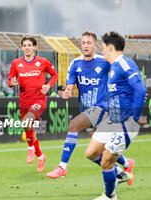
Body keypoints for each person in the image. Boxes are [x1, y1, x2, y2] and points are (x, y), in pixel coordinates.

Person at [46, 31, 134, 180]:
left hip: (101, 108)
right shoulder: (75, 64)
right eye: (83, 43)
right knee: (99, 150)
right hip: (86, 109)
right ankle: (124, 167)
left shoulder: (104, 62)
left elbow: (122, 71)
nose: (85, 46)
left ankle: (62, 167)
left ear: (95, 45)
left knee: (73, 125)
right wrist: (67, 93)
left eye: (88, 43)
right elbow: (69, 88)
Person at [85, 31, 146, 200]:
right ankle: (122, 174)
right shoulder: (114, 67)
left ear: (110, 48)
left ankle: (109, 196)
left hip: (125, 124)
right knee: (90, 153)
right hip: (112, 120)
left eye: (103, 48)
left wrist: (134, 116)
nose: (102, 51)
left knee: (105, 162)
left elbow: (140, 89)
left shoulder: (125, 64)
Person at [8, 36, 58, 172]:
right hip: (24, 100)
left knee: (26, 121)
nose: (27, 48)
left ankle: (30, 148)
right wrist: (10, 83)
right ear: (22, 48)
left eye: (30, 45)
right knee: (29, 130)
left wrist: (48, 86)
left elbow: (55, 75)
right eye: (24, 45)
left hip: (39, 99)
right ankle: (41, 157)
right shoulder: (16, 63)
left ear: (34, 47)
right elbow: (10, 79)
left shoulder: (43, 62)